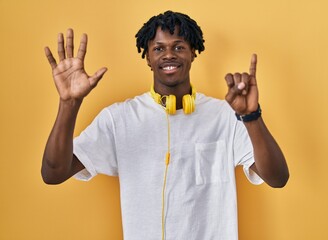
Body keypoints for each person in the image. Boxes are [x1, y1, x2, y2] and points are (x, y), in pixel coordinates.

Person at [42, 10, 289, 240]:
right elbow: (53, 173)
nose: (168, 54)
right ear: (148, 57)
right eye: (158, 48)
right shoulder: (118, 119)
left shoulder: (226, 116)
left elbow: (278, 178)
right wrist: (69, 104)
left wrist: (251, 116)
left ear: (193, 52)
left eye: (178, 47)